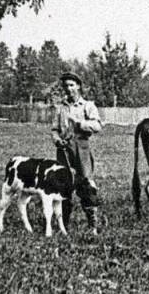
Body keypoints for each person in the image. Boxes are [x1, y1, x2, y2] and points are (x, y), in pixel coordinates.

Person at [50, 71, 103, 233]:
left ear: (78, 86)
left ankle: (92, 225)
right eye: (66, 86)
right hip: (64, 151)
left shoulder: (88, 106)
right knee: (63, 186)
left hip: (82, 149)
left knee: (86, 184)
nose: (68, 89)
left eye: (71, 85)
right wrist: (57, 139)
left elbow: (98, 126)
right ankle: (63, 225)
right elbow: (54, 129)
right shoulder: (60, 108)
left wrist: (80, 124)